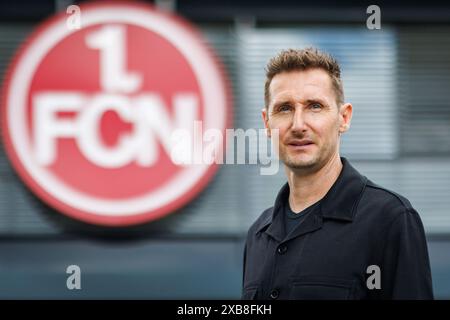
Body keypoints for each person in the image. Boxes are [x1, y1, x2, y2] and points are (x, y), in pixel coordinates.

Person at [242, 47, 433, 300]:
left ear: (344, 118)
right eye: (285, 109)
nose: (298, 125)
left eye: (315, 106)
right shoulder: (258, 234)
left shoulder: (391, 219)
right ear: (267, 123)